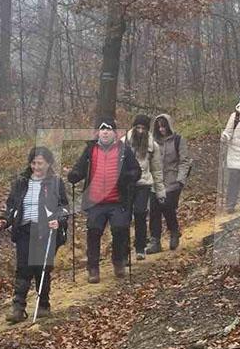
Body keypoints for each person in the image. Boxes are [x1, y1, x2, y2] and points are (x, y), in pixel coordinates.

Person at [0, 146, 70, 323]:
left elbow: (64, 208)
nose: (36, 167)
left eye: (40, 163)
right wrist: (4, 220)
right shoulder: (21, 182)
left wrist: (58, 220)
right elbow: (11, 206)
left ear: (48, 164)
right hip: (24, 228)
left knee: (41, 267)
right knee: (23, 267)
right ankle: (18, 307)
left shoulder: (55, 182)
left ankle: (44, 304)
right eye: (34, 163)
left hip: (45, 230)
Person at [67, 118, 141, 283]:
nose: (105, 132)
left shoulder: (124, 150)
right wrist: (74, 176)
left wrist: (130, 176)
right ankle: (93, 268)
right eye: (102, 129)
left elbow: (136, 170)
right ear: (98, 133)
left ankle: (118, 261)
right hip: (96, 201)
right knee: (93, 232)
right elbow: (80, 168)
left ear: (114, 133)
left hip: (118, 200)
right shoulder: (90, 149)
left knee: (120, 229)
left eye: (108, 129)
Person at [147, 114, 193, 255]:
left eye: (164, 126)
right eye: (159, 127)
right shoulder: (152, 142)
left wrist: (180, 179)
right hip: (155, 181)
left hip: (173, 181)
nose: (161, 129)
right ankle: (155, 240)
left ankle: (174, 231)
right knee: (154, 211)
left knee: (167, 207)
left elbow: (184, 161)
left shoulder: (178, 140)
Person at [122, 115, 165, 260]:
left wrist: (160, 191)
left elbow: (157, 169)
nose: (140, 131)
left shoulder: (153, 146)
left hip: (144, 183)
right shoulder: (123, 143)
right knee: (125, 217)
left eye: (143, 128)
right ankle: (124, 250)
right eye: (138, 128)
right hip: (126, 184)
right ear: (133, 128)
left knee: (140, 213)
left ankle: (140, 247)